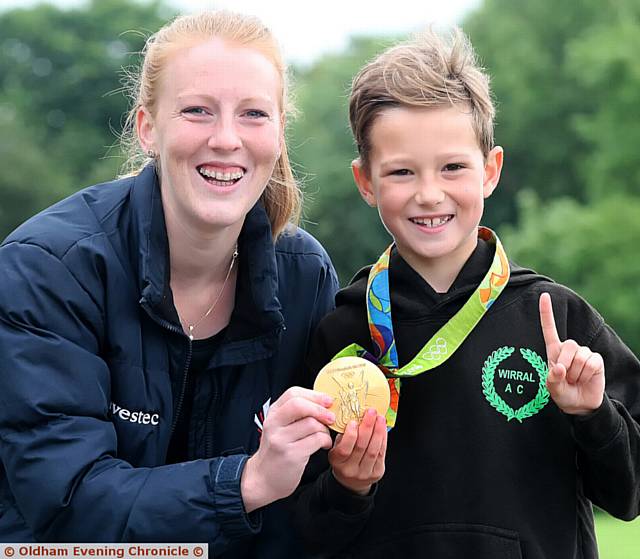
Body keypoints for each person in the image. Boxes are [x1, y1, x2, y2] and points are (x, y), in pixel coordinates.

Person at [0, 11, 340, 556]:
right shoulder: (48, 269)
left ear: (279, 134)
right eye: (197, 111)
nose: (226, 139)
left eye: (253, 114)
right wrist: (246, 483)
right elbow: (70, 506)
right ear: (147, 127)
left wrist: (353, 484)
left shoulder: (305, 275)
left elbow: (306, 518)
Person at [293, 27, 640, 559]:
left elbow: (629, 494)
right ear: (366, 182)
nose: (429, 193)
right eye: (401, 172)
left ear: (490, 170)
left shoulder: (556, 319)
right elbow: (302, 532)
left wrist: (592, 414)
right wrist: (348, 486)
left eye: (453, 166)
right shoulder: (342, 332)